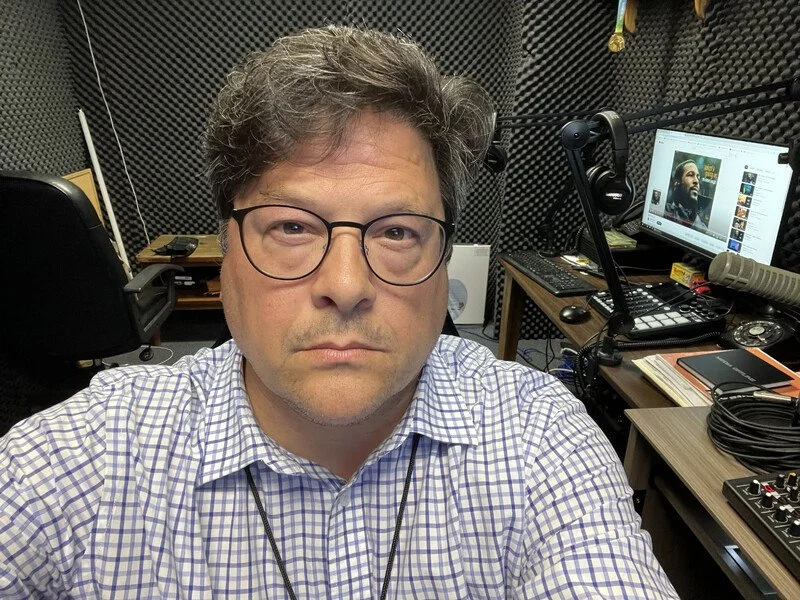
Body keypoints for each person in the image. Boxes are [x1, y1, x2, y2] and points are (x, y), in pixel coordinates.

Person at [0, 25, 679, 598]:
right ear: (227, 249)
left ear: (444, 258)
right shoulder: (91, 450)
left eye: (397, 231)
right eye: (292, 227)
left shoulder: (538, 437)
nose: (347, 284)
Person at [664, 159, 708, 230]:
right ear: (677, 183)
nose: (696, 181)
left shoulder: (703, 228)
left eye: (698, 178)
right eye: (690, 175)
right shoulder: (664, 211)